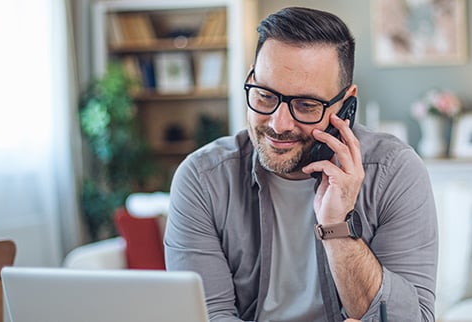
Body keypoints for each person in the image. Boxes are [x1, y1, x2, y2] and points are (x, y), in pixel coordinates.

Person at [164, 7, 437, 322]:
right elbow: (207, 316)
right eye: (265, 96)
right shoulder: (202, 179)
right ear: (251, 78)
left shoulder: (394, 172)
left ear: (346, 104)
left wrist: (338, 228)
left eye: (306, 105)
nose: (278, 124)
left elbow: (408, 319)